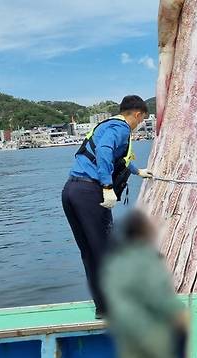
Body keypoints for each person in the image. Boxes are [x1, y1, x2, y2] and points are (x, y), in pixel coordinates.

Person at [62, 95, 149, 318]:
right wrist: (107, 186)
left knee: (90, 252)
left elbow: (118, 160)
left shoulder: (105, 125)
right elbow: (103, 151)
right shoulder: (120, 129)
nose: (138, 125)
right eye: (141, 121)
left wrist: (137, 171)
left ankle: (104, 308)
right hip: (89, 193)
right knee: (105, 250)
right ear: (137, 114)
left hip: (71, 191)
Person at [102, 210, 189, 358]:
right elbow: (158, 297)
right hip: (150, 332)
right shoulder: (147, 259)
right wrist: (180, 313)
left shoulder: (114, 264)